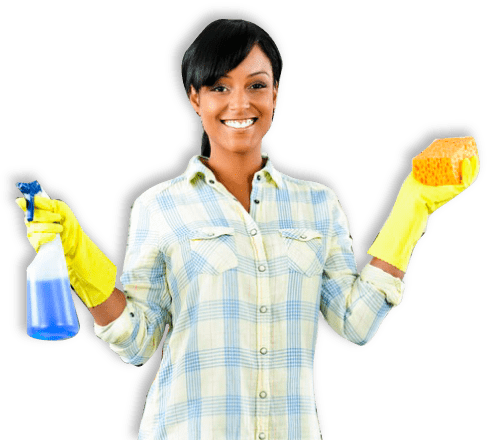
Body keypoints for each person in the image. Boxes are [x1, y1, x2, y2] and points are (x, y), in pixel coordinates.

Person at [14, 18, 479, 440]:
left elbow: (355, 324)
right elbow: (138, 344)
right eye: (219, 86)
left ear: (276, 93)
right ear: (193, 97)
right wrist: (80, 259)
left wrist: (412, 206)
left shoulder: (319, 203)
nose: (240, 103)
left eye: (256, 85)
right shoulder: (158, 206)